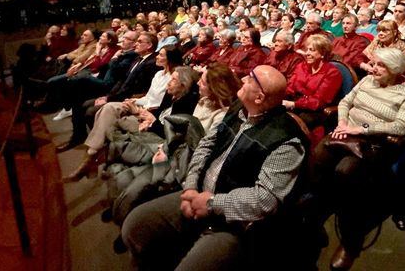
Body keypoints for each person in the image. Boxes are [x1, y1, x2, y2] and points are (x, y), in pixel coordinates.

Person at [122, 65, 307, 270]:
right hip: (200, 192)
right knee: (135, 226)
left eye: (251, 78)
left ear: (259, 98)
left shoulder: (287, 140)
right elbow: (206, 144)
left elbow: (264, 199)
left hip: (235, 222)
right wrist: (191, 186)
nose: (243, 78)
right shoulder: (239, 108)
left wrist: (211, 203)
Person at [308, 48, 405, 270]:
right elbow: (345, 103)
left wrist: (362, 129)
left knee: (345, 172)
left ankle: (352, 239)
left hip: (375, 143)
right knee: (315, 163)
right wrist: (343, 124)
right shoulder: (367, 80)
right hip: (345, 132)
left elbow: (400, 126)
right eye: (374, 63)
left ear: (395, 69)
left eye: (380, 65)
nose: (373, 68)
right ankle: (315, 220)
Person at [62, 48, 184, 181]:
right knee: (107, 109)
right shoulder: (158, 74)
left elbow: (160, 105)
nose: (157, 57)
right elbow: (149, 97)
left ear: (170, 59)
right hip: (141, 105)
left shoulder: (173, 79)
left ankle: (89, 159)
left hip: (149, 111)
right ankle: (91, 158)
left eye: (160, 55)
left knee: (107, 114)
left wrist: (138, 109)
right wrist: (133, 101)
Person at [283, 34, 342, 129]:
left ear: (323, 53)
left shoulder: (332, 73)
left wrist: (294, 104)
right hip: (295, 102)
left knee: (290, 123)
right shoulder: (301, 66)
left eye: (312, 50)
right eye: (307, 50)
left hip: (315, 111)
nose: (307, 53)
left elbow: (319, 101)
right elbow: (290, 87)